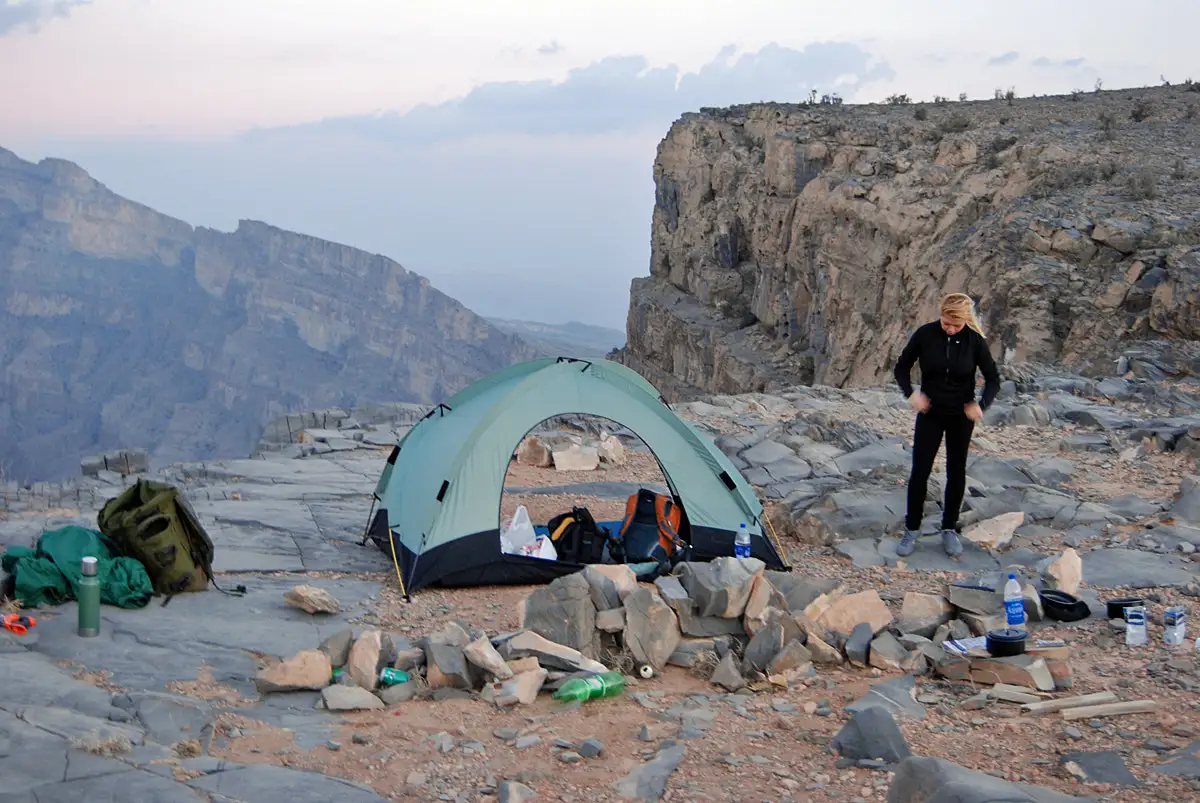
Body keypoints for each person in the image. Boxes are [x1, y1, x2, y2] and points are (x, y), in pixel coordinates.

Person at [893, 292, 1001, 557]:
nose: (950, 328)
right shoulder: (925, 334)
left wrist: (981, 405)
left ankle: (949, 528)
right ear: (940, 315)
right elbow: (901, 367)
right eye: (946, 323)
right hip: (930, 413)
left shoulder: (975, 342)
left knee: (956, 471)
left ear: (965, 320)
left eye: (956, 325)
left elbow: (993, 379)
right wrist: (911, 394)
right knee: (920, 470)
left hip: (961, 416)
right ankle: (912, 529)